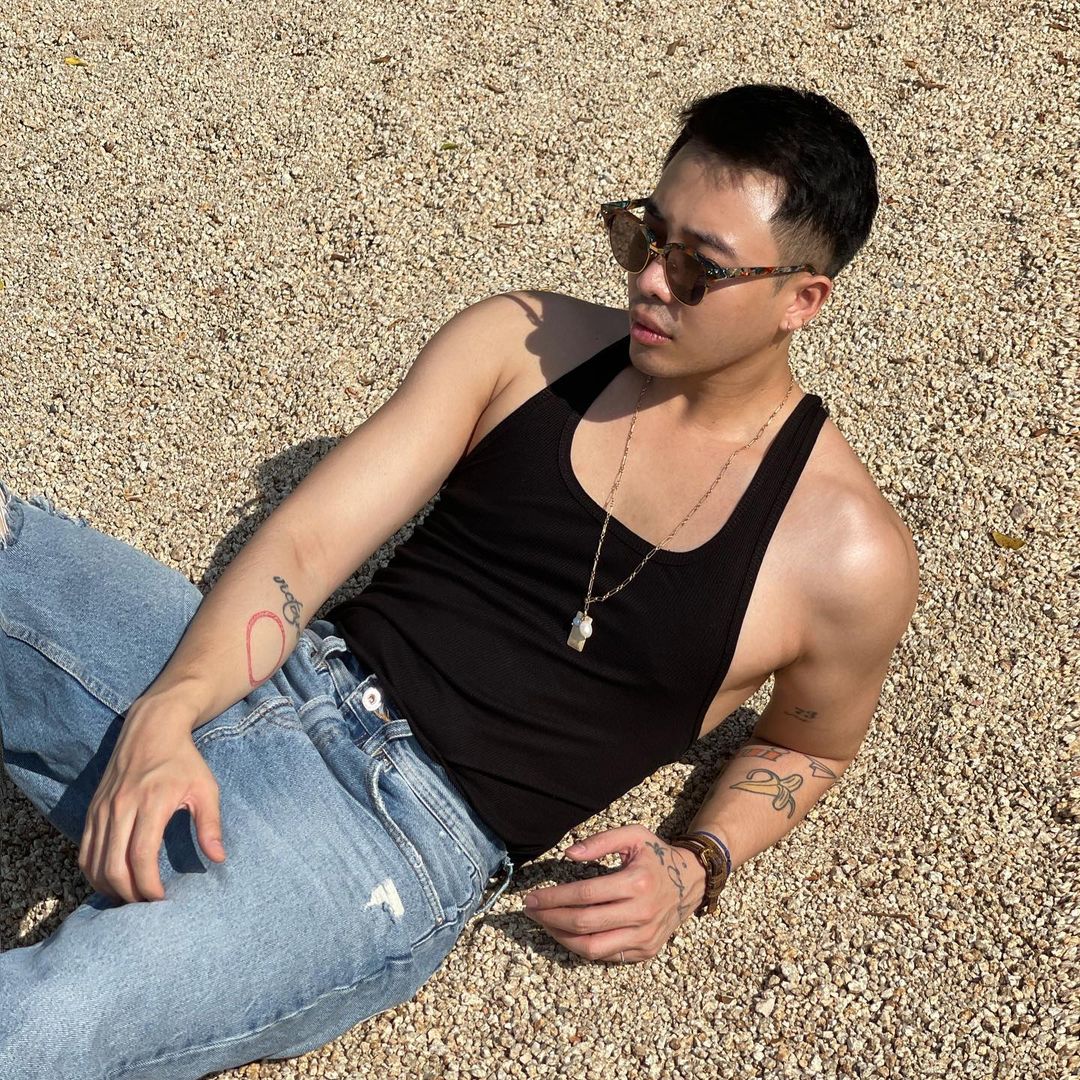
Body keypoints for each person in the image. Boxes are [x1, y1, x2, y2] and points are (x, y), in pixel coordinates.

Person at [0, 82, 919, 1078]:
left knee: (42, 1024)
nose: (651, 279)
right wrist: (169, 710)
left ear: (802, 300)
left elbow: (809, 746)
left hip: (393, 842)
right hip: (272, 675)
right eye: (643, 234)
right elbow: (307, 545)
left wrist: (696, 864)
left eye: (699, 267)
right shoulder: (523, 346)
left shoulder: (843, 554)